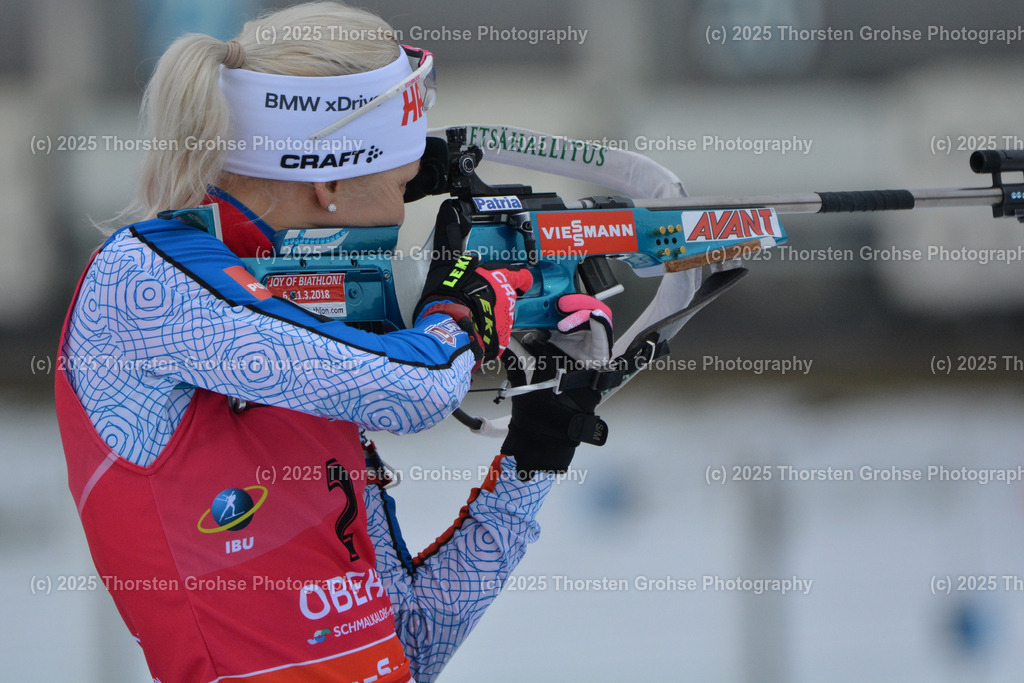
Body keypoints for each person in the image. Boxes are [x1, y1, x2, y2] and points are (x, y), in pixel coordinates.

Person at [53, 3, 611, 681]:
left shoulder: (307, 337)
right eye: (402, 185)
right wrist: (456, 309)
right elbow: (415, 391)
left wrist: (537, 450)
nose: (401, 210)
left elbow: (408, 644)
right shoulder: (139, 278)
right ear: (329, 184)